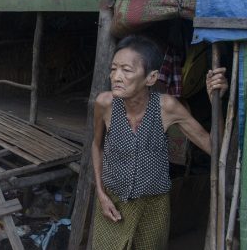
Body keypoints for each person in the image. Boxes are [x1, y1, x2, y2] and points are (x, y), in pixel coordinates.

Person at [91, 35, 227, 250]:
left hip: (153, 206)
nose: (116, 77)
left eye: (126, 70)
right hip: (112, 202)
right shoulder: (104, 103)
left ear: (151, 78)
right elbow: (96, 146)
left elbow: (215, 148)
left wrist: (215, 101)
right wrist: (100, 193)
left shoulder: (167, 107)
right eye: (113, 68)